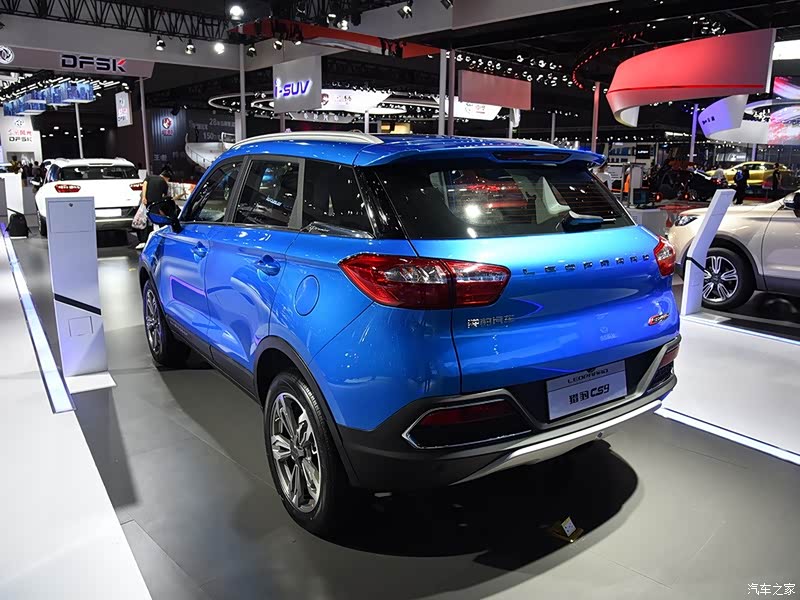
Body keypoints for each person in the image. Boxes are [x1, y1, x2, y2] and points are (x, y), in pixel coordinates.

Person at [136, 167, 175, 249]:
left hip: (145, 202)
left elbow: (144, 185)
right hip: (155, 204)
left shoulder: (150, 177)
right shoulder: (164, 183)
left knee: (143, 221)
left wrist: (144, 197)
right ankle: (156, 240)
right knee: (156, 222)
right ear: (167, 178)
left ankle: (142, 241)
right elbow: (164, 196)